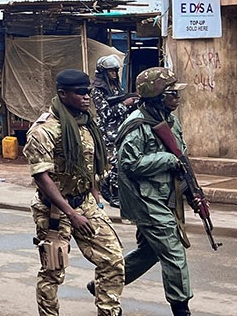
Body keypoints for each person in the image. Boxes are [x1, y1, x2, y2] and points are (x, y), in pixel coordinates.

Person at [23, 69, 123, 316]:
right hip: (55, 209)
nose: (87, 97)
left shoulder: (85, 122)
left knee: (113, 260)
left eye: (88, 91)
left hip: (85, 201)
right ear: (62, 94)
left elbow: (86, 161)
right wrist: (71, 214)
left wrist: (94, 190)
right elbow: (41, 177)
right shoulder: (44, 130)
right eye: (81, 93)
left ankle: (108, 311)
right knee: (53, 270)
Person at [114, 67, 193, 316]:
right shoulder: (137, 124)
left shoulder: (169, 119)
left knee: (149, 253)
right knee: (173, 252)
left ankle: (106, 283)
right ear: (158, 96)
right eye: (172, 93)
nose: (177, 98)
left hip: (166, 195)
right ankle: (181, 309)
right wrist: (165, 160)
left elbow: (181, 155)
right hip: (146, 199)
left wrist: (192, 190)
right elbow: (128, 163)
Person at [92, 55, 136, 208]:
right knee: (115, 164)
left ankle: (111, 187)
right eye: (111, 71)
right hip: (108, 132)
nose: (115, 74)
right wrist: (124, 104)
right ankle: (112, 192)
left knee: (123, 162)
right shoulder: (97, 90)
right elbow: (105, 113)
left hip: (122, 128)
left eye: (116, 71)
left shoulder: (116, 86)